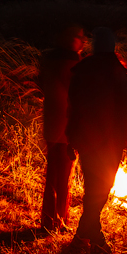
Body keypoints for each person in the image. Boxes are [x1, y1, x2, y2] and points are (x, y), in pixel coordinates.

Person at [66, 27, 127, 254]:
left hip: (87, 138)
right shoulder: (118, 72)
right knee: (101, 188)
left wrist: (71, 138)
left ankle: (85, 234)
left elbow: (73, 107)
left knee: (94, 189)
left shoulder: (82, 69)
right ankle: (90, 235)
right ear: (112, 46)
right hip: (110, 140)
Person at [37, 24, 86, 233]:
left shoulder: (47, 60)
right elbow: (78, 93)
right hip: (67, 125)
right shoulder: (74, 62)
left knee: (52, 174)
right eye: (79, 37)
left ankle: (48, 219)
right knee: (64, 175)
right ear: (70, 39)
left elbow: (41, 85)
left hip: (50, 122)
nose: (83, 41)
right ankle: (60, 220)